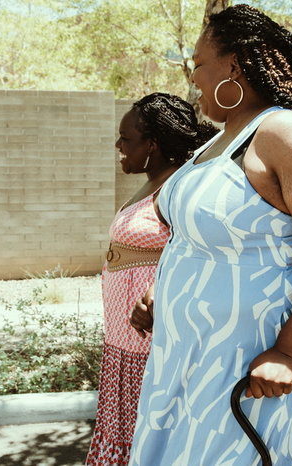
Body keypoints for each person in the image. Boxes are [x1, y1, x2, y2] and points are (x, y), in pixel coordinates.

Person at [128, 5, 292, 466]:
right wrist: (160, 290)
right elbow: (204, 237)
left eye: (199, 64)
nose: (194, 78)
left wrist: (289, 351)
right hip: (188, 355)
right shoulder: (219, 140)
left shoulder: (284, 132)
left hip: (249, 363)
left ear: (235, 66)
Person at [86, 93, 218, 466]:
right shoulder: (153, 182)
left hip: (149, 342)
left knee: (150, 435)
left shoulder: (179, 187)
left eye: (126, 138)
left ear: (153, 143)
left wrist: (159, 288)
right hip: (123, 342)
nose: (119, 145)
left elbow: (199, 251)